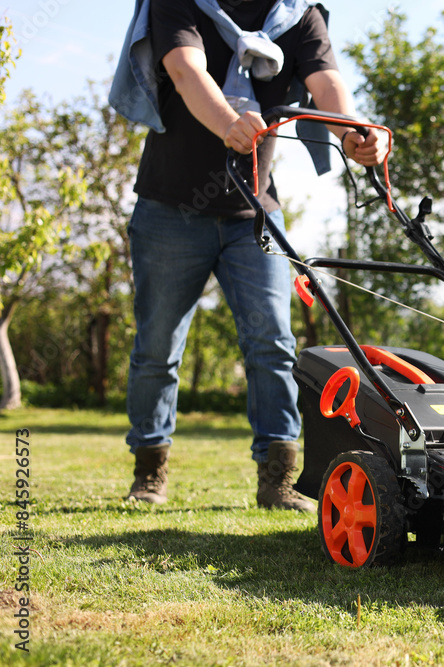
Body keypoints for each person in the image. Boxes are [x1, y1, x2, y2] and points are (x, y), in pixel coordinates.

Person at [110, 0, 387, 510]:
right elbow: (185, 69)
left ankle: (277, 480)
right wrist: (226, 122)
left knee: (272, 344)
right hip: (170, 208)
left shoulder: (299, 14)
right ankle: (149, 471)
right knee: (157, 347)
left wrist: (351, 132)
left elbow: (326, 81)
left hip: (254, 211)